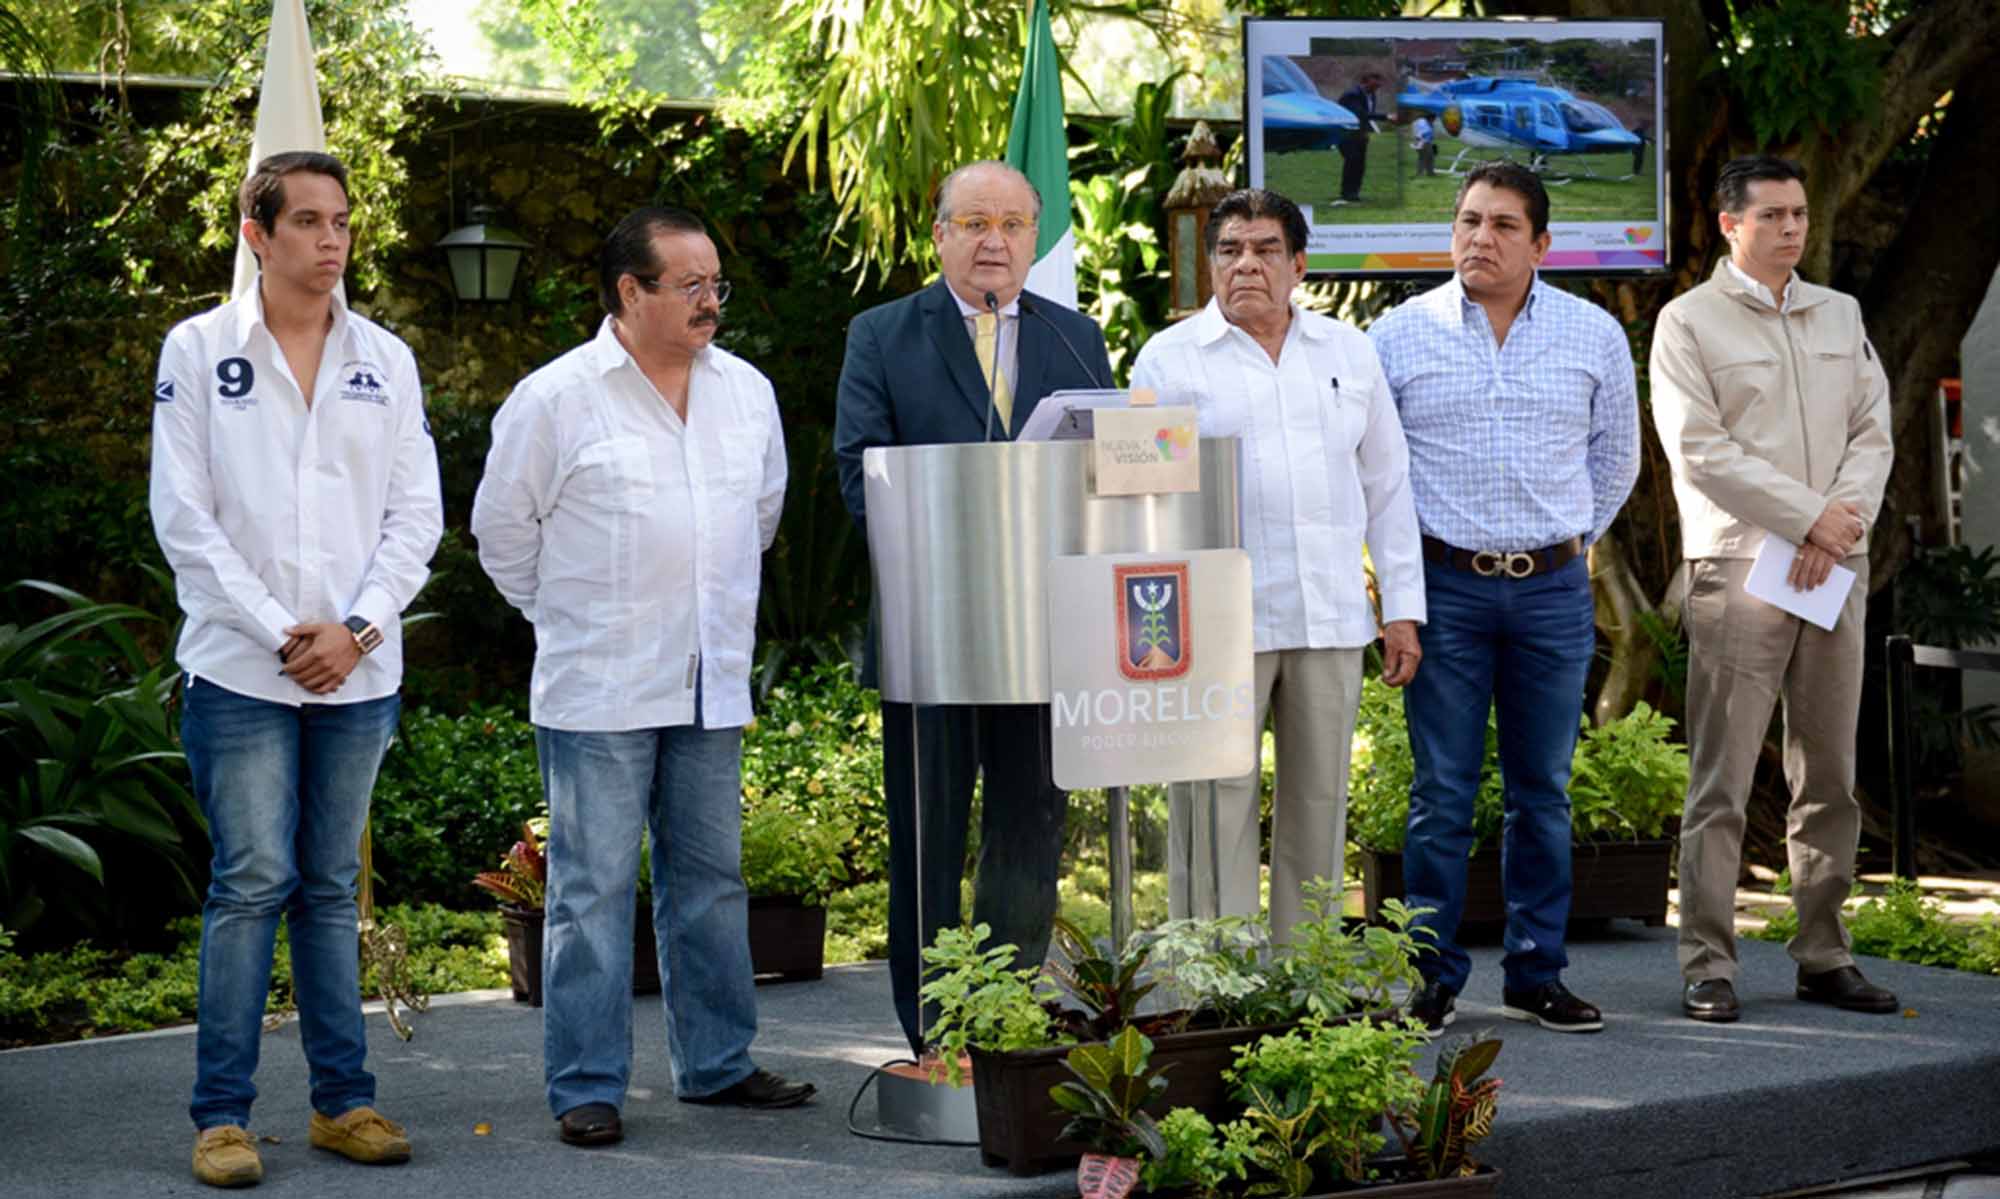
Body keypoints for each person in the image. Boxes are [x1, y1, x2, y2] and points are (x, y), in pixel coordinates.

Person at [471, 206, 812, 1148]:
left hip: (709, 676)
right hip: (600, 687)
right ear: (631, 291)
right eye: (690, 285)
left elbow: (763, 513)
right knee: (590, 889)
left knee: (711, 882)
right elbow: (502, 535)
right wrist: (575, 617)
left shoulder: (746, 392)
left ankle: (717, 1063)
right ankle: (586, 1083)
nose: (711, 302)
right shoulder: (554, 398)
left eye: (716, 284)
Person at [151, 151, 442, 1187]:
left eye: (342, 221)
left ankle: (342, 1102)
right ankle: (221, 1117)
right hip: (241, 668)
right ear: (256, 235)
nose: (332, 239)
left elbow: (418, 515)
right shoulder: (196, 351)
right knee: (250, 883)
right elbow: (184, 520)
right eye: (309, 220)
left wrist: (355, 628)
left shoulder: (386, 359)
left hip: (357, 673)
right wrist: (287, 628)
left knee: (325, 887)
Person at [834, 160, 1114, 1056]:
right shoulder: (883, 334)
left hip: (1047, 632)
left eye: (1013, 224)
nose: (995, 240)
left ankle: (1004, 1012)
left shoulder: (1078, 339)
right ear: (941, 234)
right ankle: (933, 1031)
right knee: (931, 830)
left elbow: (1109, 471)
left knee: (1030, 827)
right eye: (974, 222)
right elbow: (858, 476)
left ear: (1035, 237)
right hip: (935, 630)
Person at [1369, 161, 1640, 1036]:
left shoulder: (1594, 335)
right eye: (1469, 221)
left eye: (1503, 225)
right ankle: (1431, 978)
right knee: (1441, 792)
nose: (1480, 238)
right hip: (1443, 587)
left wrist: (1564, 544)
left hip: (1554, 591)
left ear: (1541, 244)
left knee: (1543, 791)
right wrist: (1402, 587)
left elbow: (1616, 462)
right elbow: (1377, 472)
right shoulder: (1397, 336)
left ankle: (1537, 972)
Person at [1130, 187, 1423, 943]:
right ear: (1211, 265)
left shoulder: (1347, 352)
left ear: (1298, 266)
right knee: (1214, 800)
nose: (1246, 265)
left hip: (1327, 613)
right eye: (1229, 250)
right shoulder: (1168, 359)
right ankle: (1215, 977)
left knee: (1319, 801)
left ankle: (1306, 974)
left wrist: (1401, 609)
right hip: (1215, 624)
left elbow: (1388, 486)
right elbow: (1139, 500)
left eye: (1264, 250)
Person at [1650, 156, 1897, 1023]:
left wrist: (1840, 522)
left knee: (1829, 771)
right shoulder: (1687, 323)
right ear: (1730, 225)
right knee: (1720, 779)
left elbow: (1873, 430)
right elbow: (1699, 448)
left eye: (1798, 213)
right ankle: (1709, 963)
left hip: (1835, 565)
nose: (1792, 228)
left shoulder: (1842, 312)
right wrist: (1804, 519)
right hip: (1740, 568)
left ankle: (1824, 954)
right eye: (1773, 216)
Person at [1336, 71, 1385, 203]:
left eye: (1380, 81)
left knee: (1360, 165)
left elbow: (1366, 117)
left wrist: (1366, 132)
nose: (1379, 84)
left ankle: (1354, 193)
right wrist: (1386, 117)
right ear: (1366, 80)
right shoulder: (1352, 95)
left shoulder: (1372, 95)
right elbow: (1360, 114)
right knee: (1352, 161)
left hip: (1360, 135)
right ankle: (1346, 193)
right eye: (1375, 80)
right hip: (1346, 133)